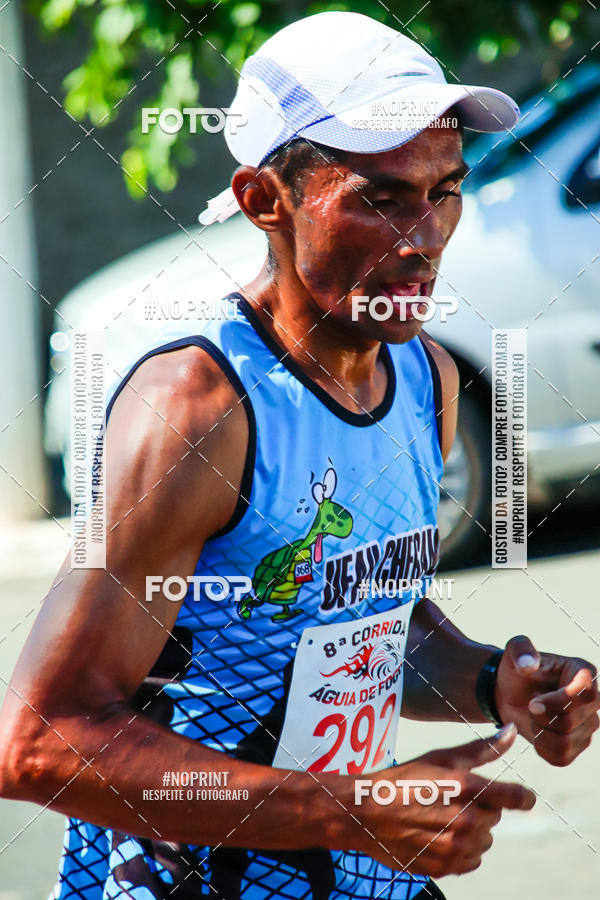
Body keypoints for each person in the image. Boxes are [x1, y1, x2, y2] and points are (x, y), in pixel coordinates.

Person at [1, 11, 598, 900]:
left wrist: (488, 678)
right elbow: (40, 740)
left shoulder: (423, 376)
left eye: (445, 192)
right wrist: (342, 811)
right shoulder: (198, 413)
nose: (424, 238)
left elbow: (360, 619)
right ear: (264, 202)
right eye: (380, 198)